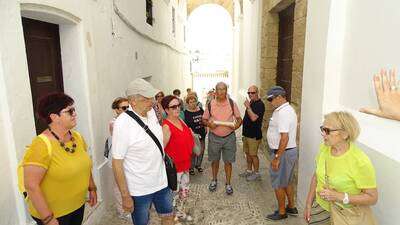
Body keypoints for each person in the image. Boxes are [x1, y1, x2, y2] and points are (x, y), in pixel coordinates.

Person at [22, 92, 97, 225]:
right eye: (70, 111)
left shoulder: (77, 137)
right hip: (54, 214)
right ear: (54, 117)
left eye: (74, 110)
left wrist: (92, 188)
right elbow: (31, 185)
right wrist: (48, 218)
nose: (75, 114)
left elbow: (85, 165)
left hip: (77, 205)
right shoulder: (41, 145)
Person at [112, 79, 174, 225]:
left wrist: (165, 137)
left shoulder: (152, 112)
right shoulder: (122, 124)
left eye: (152, 97)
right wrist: (125, 195)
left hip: (161, 183)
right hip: (139, 190)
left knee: (168, 217)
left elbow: (154, 145)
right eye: (146, 99)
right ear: (133, 102)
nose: (152, 102)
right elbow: (117, 163)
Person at [304, 111, 378, 225]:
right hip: (320, 209)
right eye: (322, 129)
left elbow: (372, 198)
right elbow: (316, 176)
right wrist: (308, 204)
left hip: (346, 215)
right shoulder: (324, 148)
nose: (323, 134)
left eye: (327, 130)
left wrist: (339, 196)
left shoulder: (360, 161)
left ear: (345, 134)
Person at [202, 82, 242, 195]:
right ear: (215, 91)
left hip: (229, 137)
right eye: (219, 89)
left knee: (228, 161)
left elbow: (239, 119)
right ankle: (214, 180)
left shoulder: (232, 103)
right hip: (214, 137)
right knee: (214, 161)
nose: (221, 91)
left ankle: (228, 183)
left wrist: (236, 126)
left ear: (226, 90)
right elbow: (204, 120)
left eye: (223, 89)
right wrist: (210, 125)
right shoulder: (210, 104)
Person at [265, 86, 298, 221]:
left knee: (278, 183)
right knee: (287, 182)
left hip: (283, 153)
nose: (270, 102)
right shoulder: (285, 110)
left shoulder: (284, 112)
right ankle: (291, 206)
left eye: (271, 99)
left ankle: (282, 211)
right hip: (287, 151)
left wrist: (277, 157)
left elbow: (285, 137)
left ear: (279, 97)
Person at [162, 95, 195, 221]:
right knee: (173, 195)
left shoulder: (180, 120)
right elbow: (162, 150)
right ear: (166, 110)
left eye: (179, 105)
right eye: (173, 107)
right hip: (175, 169)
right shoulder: (166, 126)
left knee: (184, 193)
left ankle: (180, 213)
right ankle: (171, 218)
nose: (177, 108)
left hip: (186, 164)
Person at [108, 97, 130, 219]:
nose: (127, 110)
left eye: (128, 107)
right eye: (124, 108)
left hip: (129, 159)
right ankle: (122, 211)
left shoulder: (130, 120)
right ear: (116, 110)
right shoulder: (114, 123)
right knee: (119, 185)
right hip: (118, 159)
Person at [240, 85, 265, 181]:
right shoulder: (251, 102)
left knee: (253, 155)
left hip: (254, 135)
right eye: (249, 93)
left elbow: (254, 118)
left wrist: (248, 107)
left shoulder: (260, 104)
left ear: (257, 92)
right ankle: (249, 170)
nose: (250, 95)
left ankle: (256, 173)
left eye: (253, 93)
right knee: (248, 153)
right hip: (247, 134)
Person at [184, 94, 206, 175]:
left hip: (201, 133)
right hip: (192, 135)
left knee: (202, 150)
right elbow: (185, 125)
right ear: (187, 103)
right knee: (193, 152)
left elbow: (204, 119)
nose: (193, 103)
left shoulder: (200, 110)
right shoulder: (186, 112)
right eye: (190, 102)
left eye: (194, 101)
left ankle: (198, 165)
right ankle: (191, 167)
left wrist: (206, 126)